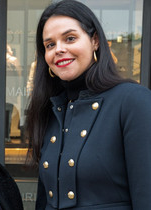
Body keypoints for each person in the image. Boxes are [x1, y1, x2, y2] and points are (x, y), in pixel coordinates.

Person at [25, 0, 151, 209]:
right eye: (50, 45)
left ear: (95, 41)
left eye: (70, 38)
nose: (59, 49)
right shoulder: (53, 109)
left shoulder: (133, 101)